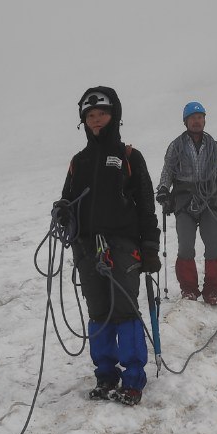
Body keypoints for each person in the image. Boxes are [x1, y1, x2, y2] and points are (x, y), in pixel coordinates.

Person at [53, 86, 160, 406]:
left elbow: (146, 205)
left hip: (123, 245)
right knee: (99, 312)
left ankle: (132, 380)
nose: (96, 121)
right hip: (86, 248)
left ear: (115, 116)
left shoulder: (130, 157)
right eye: (90, 116)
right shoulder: (78, 161)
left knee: (125, 310)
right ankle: (105, 375)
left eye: (101, 114)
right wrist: (62, 209)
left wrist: (151, 247)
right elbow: (68, 199)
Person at [156, 100, 217, 305]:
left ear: (205, 120)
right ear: (186, 122)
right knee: (186, 246)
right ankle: (189, 289)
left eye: (200, 118)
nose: (197, 121)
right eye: (192, 118)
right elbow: (168, 170)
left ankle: (212, 290)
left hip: (209, 200)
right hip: (184, 200)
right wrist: (163, 189)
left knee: (214, 246)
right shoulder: (176, 146)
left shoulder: (214, 147)